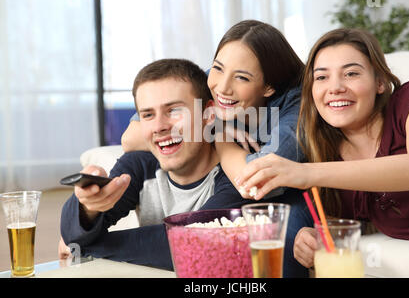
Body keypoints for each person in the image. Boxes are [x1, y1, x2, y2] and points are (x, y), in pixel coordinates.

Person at [59, 58, 311, 277]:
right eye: (147, 115)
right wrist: (88, 207)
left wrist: (87, 248)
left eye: (174, 110)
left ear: (209, 116)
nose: (159, 126)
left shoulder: (234, 177)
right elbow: (74, 232)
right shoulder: (139, 165)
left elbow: (192, 243)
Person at [234, 28, 409, 268]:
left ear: (380, 82)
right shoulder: (326, 152)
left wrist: (305, 173)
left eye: (351, 73)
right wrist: (312, 236)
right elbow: (356, 222)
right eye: (322, 77)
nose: (335, 87)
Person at [122, 20, 307, 200]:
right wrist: (211, 127)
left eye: (241, 78)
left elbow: (256, 184)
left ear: (269, 87)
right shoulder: (211, 79)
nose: (222, 87)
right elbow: (130, 139)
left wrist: (219, 137)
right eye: (218, 67)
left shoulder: (298, 110)